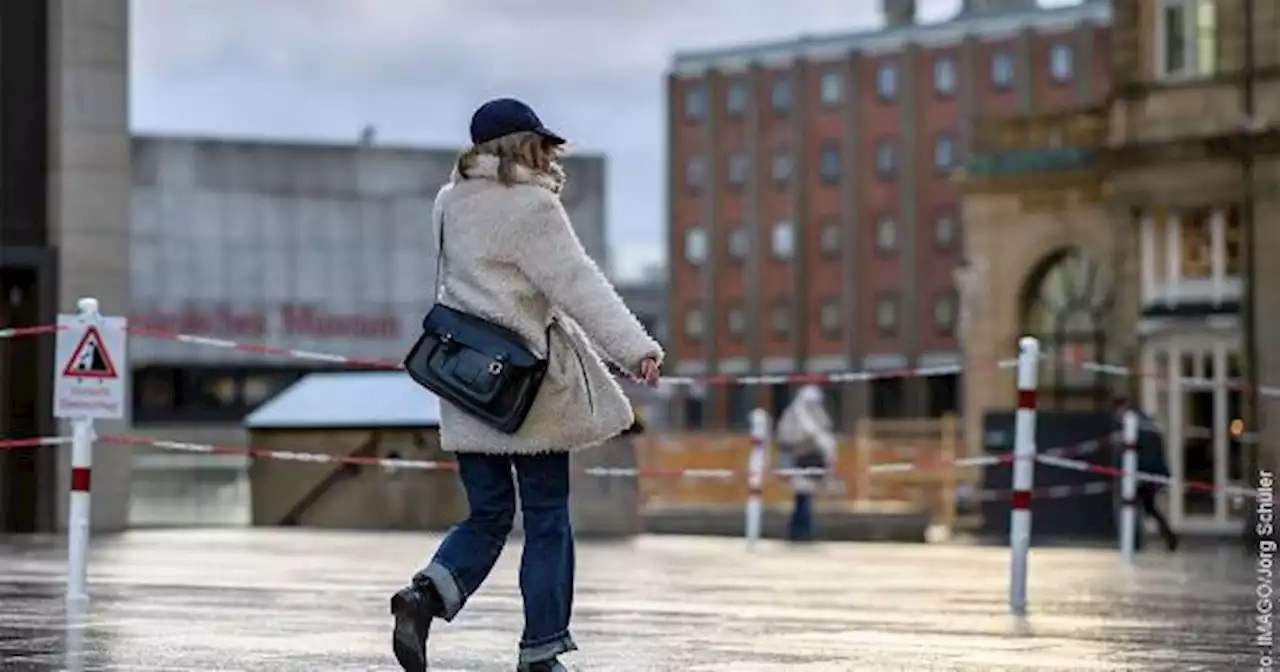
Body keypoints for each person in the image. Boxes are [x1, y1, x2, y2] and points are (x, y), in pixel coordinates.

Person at [389, 98, 663, 672]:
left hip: (463, 385)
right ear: (523, 146)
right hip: (525, 389)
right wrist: (634, 348)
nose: (547, 153)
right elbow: (576, 283)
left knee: (487, 514)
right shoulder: (532, 207)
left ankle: (424, 597)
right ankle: (541, 652)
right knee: (545, 517)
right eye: (541, 143)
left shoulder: (448, 203)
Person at [1114, 398, 1179, 551]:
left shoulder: (1134, 427)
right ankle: (1168, 536)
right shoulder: (1149, 424)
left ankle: (1133, 540)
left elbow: (1138, 453)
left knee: (1131, 503)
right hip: (1154, 473)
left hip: (1143, 473)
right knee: (1148, 506)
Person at [775, 385, 838, 542]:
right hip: (796, 461)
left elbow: (825, 434)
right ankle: (801, 533)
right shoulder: (793, 415)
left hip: (811, 460)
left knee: (805, 498)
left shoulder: (817, 413)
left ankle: (801, 533)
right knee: (802, 498)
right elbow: (786, 438)